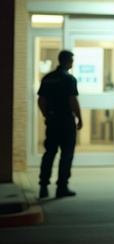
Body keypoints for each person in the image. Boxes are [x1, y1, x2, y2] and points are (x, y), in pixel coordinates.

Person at [37, 50, 83, 200]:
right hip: (66, 121)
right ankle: (61, 187)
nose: (73, 63)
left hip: (52, 120)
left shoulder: (48, 78)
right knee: (66, 154)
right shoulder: (69, 79)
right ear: (68, 61)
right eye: (72, 60)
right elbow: (72, 100)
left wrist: (46, 115)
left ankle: (43, 186)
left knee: (49, 153)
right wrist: (79, 118)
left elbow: (41, 100)